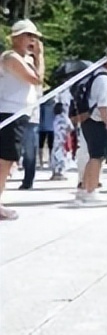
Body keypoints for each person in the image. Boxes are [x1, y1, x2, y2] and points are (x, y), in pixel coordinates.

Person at [0, 20, 44, 220]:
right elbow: (36, 79)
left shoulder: (24, 59)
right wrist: (39, 57)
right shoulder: (11, 58)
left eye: (33, 37)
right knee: (5, 161)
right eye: (28, 36)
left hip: (18, 113)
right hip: (9, 112)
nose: (31, 40)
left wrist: (35, 58)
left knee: (7, 161)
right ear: (16, 38)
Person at [77, 54, 107, 204]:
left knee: (92, 156)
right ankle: (91, 190)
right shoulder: (104, 79)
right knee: (98, 157)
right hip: (97, 120)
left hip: (88, 119)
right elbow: (103, 102)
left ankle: (84, 188)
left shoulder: (94, 76)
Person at [50, 101, 71, 180]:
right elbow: (70, 127)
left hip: (56, 140)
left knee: (55, 156)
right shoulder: (65, 118)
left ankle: (54, 172)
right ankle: (61, 173)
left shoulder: (55, 119)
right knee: (62, 156)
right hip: (63, 140)